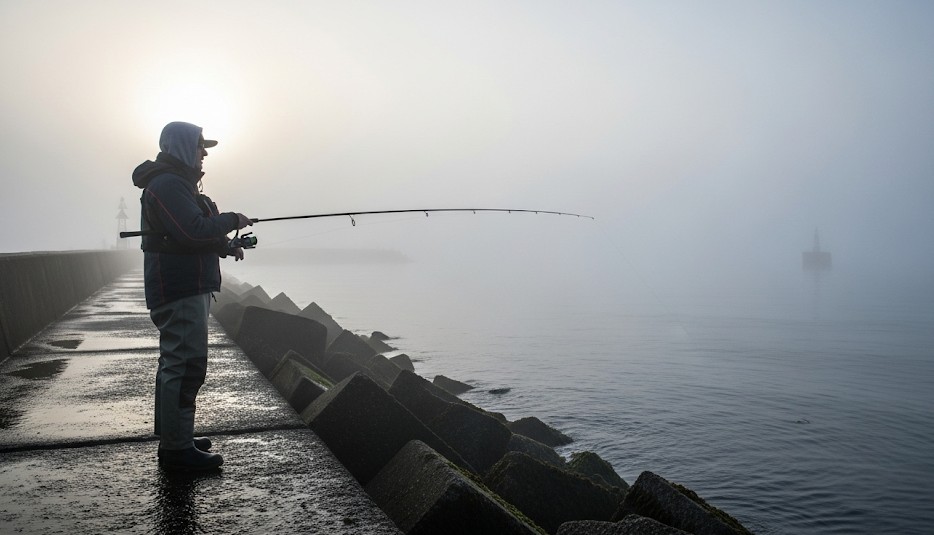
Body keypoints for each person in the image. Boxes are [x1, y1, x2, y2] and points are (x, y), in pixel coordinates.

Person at [132, 121, 253, 471]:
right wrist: (232, 219)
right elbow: (190, 230)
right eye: (200, 147)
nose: (204, 154)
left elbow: (187, 235)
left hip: (182, 287)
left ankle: (174, 436)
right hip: (179, 289)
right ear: (183, 147)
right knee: (185, 367)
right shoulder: (168, 184)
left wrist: (225, 247)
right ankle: (176, 449)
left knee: (176, 364)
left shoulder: (176, 184)